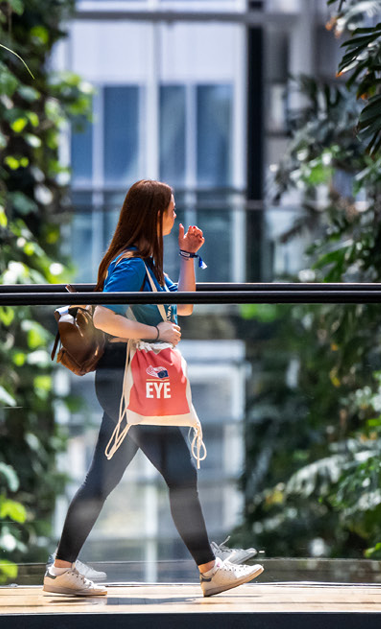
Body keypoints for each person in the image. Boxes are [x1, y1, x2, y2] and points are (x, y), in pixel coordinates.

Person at [46, 180, 265, 597]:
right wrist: (156, 332)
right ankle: (209, 569)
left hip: (127, 384)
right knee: (180, 473)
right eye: (171, 209)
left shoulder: (146, 265)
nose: (176, 215)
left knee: (101, 480)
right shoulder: (130, 264)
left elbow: (182, 306)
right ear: (153, 214)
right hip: (130, 383)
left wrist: (187, 257)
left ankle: (60, 571)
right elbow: (106, 317)